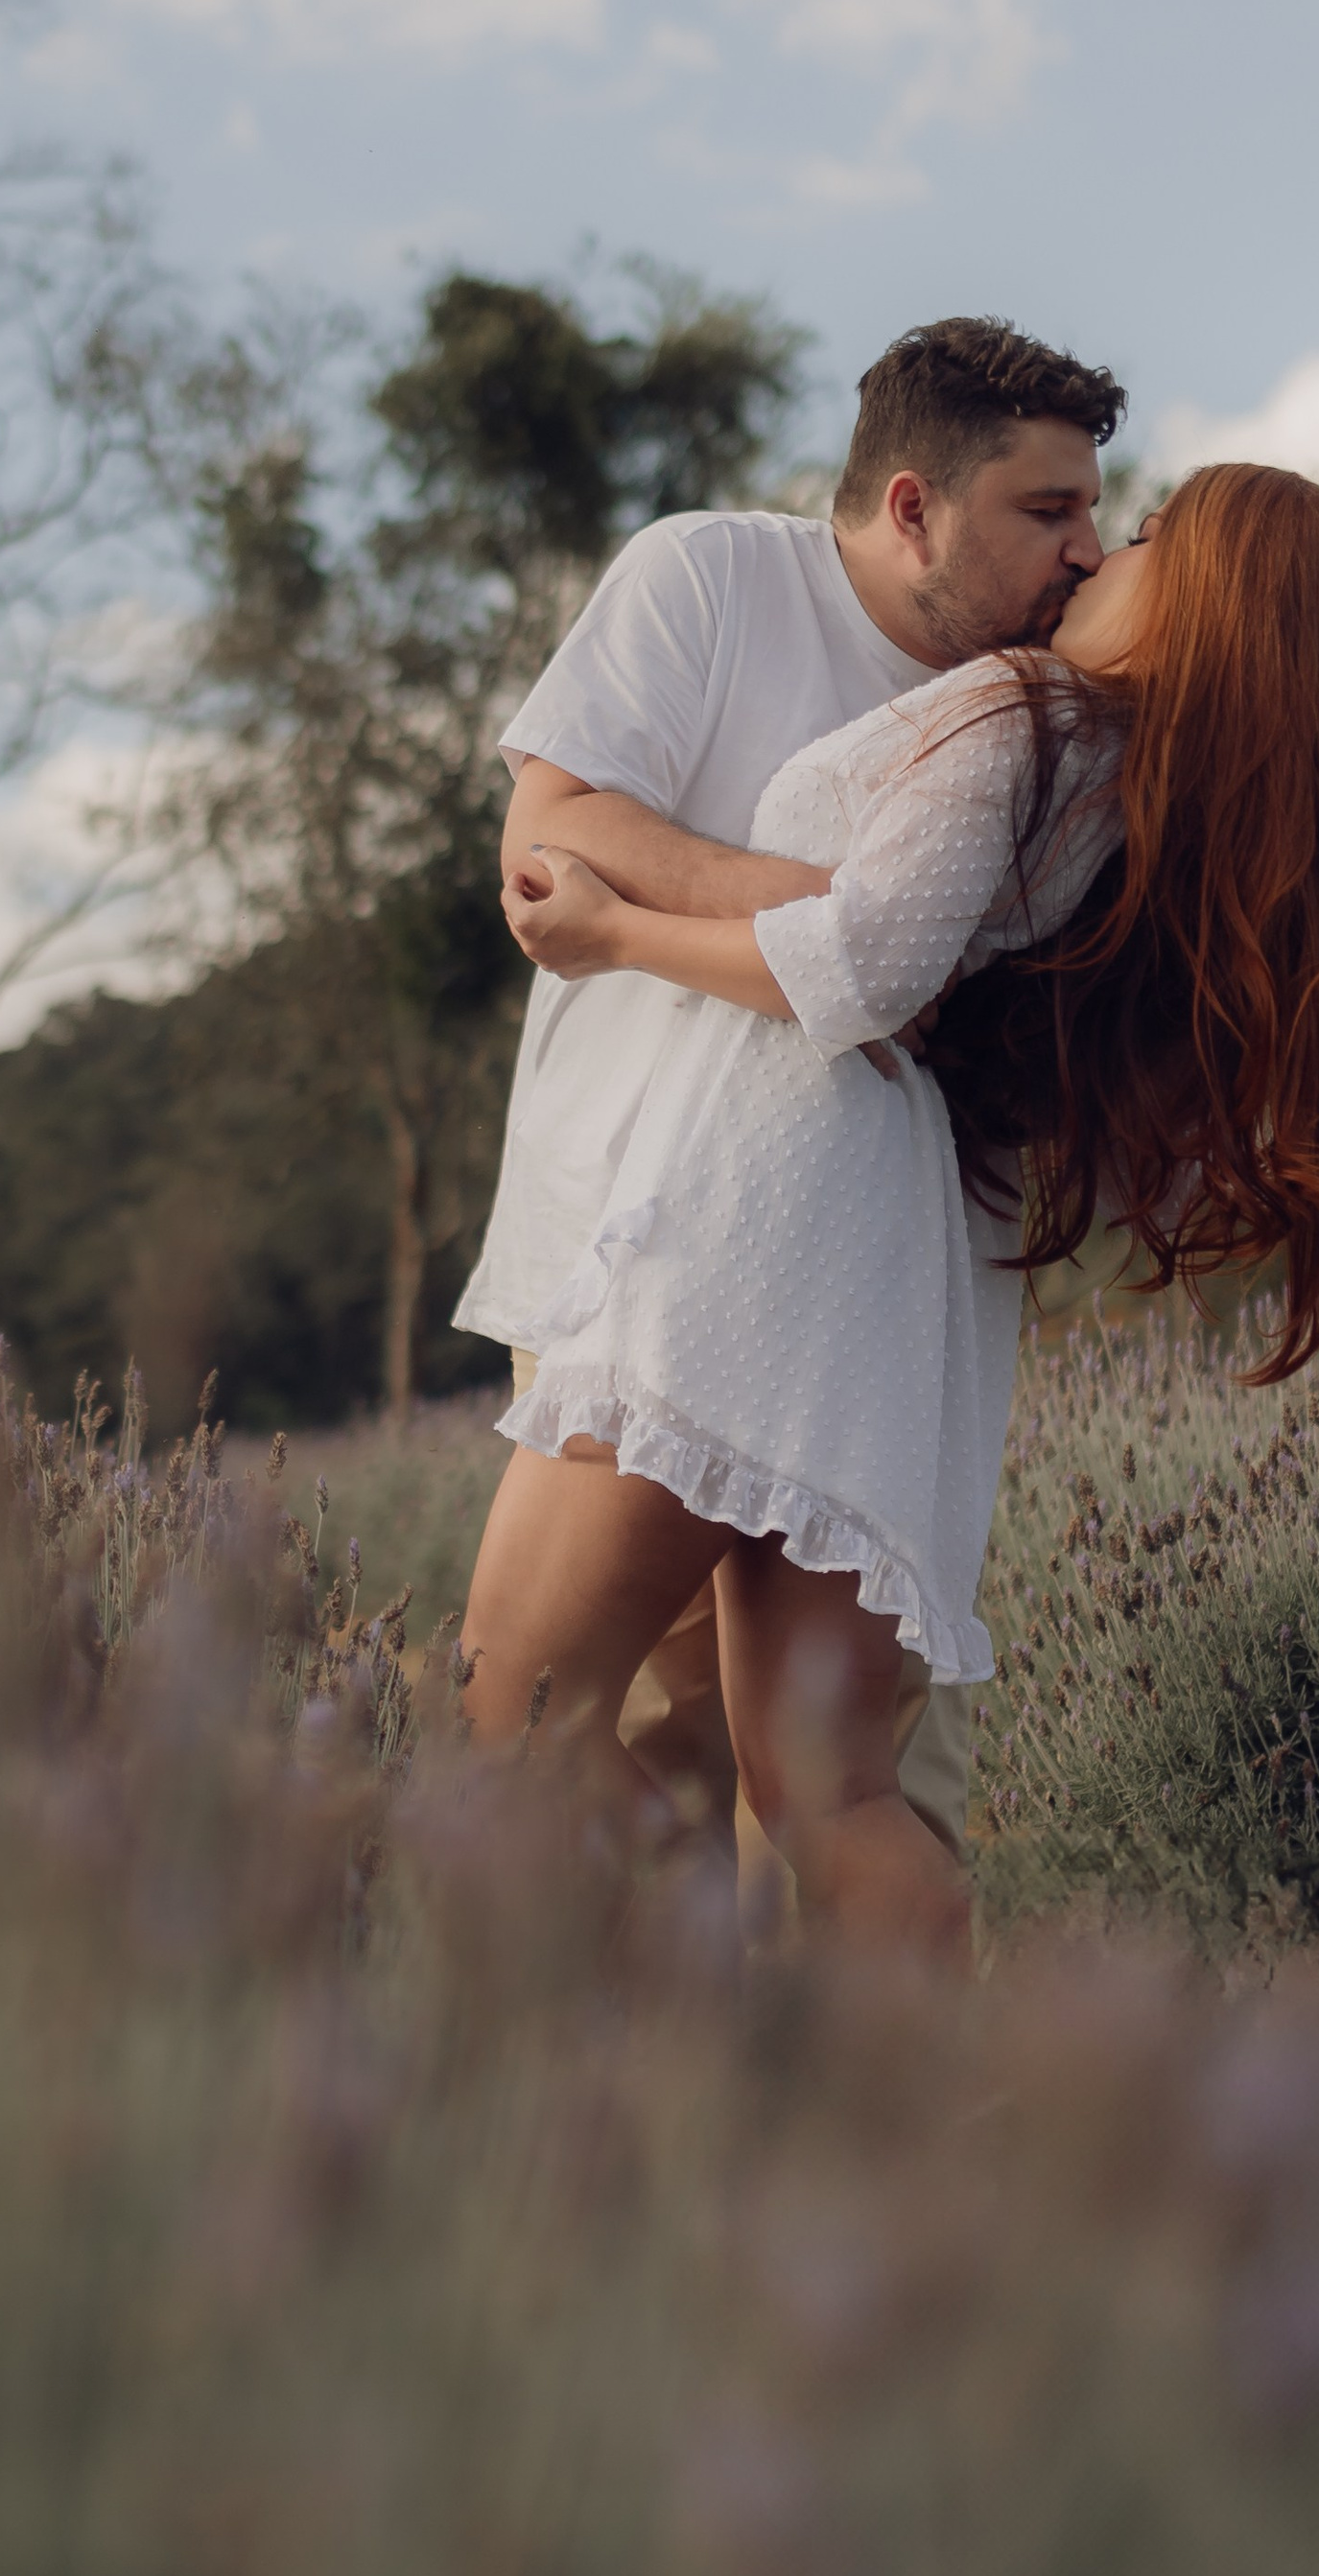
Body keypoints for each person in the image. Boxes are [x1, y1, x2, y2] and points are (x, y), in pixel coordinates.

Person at [459, 461, 1319, 1962]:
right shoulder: (1136, 790)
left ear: (1213, 599)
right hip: (884, 1265)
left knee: (502, 1709)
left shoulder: (1024, 711)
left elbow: (861, 971)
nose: (1103, 554)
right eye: (1080, 520)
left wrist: (614, 931)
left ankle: (699, 2011)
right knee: (825, 1791)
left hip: (762, 1210)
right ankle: (935, 2126)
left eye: (1146, 535)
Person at [451, 316, 1129, 1869]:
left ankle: (846, 2107)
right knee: (646, 1765)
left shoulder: (1048, 707)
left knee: (836, 1801)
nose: (1085, 551)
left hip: (885, 1323)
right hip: (642, 1262)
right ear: (912, 504)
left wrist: (865, 946)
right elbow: (548, 835)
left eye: (1095, 511)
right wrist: (851, 925)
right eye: (1048, 511)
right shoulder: (711, 579)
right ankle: (699, 2097)